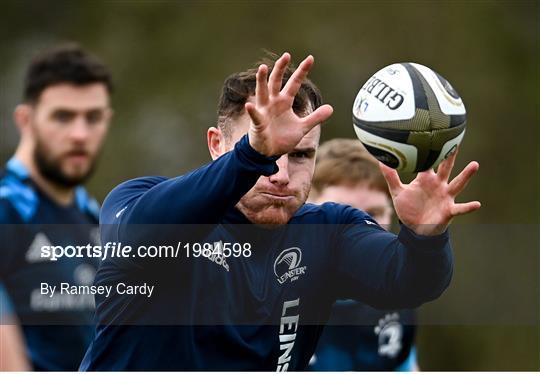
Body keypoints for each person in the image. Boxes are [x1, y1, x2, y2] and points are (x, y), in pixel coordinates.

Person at [80, 52, 480, 371]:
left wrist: (425, 237)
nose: (281, 174)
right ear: (218, 144)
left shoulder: (330, 232)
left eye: (302, 155)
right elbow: (140, 239)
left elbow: (408, 282)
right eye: (266, 152)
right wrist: (249, 158)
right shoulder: (136, 201)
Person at [0, 43, 113, 370]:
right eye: (62, 117)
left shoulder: (97, 219)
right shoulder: (8, 211)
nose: (80, 134)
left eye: (93, 118)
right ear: (25, 120)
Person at [308, 138, 419, 371]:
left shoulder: (398, 292)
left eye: (374, 213)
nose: (361, 226)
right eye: (341, 212)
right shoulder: (269, 294)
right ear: (305, 209)